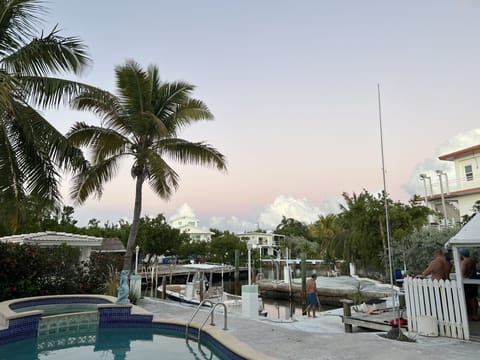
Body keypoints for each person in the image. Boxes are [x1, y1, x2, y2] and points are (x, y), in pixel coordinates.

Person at [460, 248, 478, 321]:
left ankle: (473, 315)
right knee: (474, 297)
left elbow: (462, 272)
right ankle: (475, 313)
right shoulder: (472, 260)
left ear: (461, 254)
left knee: (470, 298)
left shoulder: (464, 262)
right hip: (473, 280)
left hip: (467, 281)